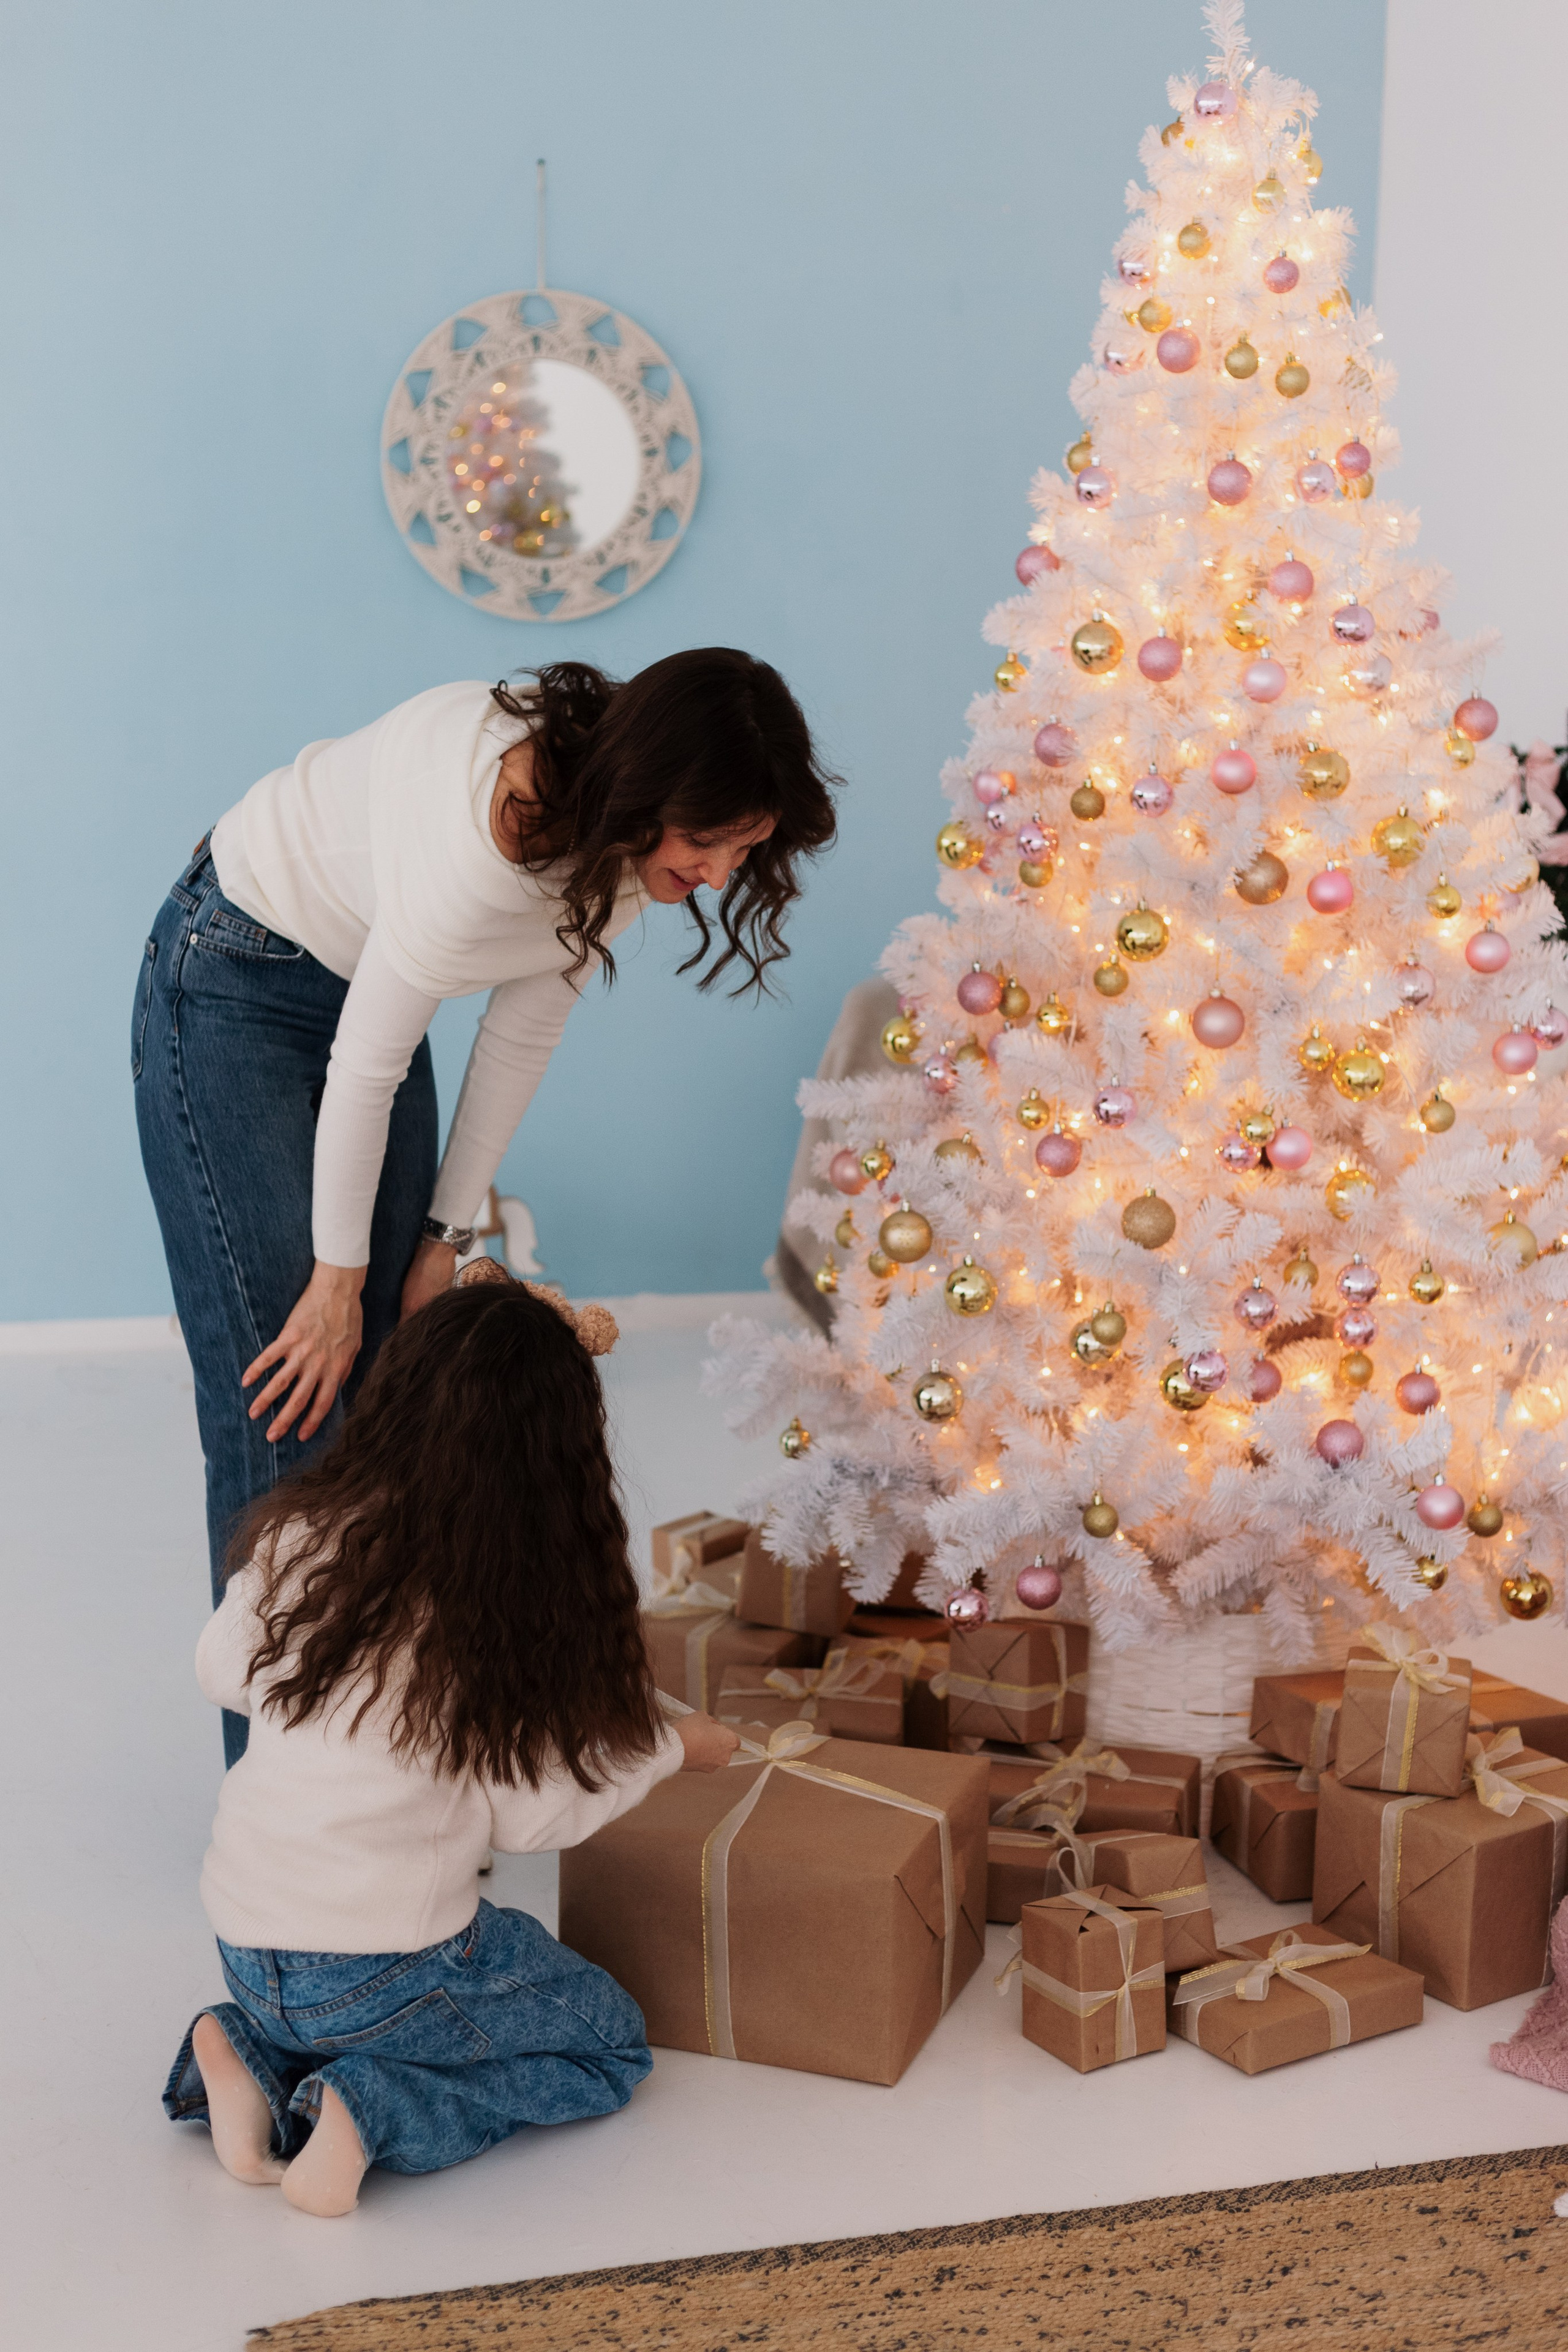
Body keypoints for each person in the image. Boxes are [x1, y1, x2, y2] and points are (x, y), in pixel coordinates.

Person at [132, 653, 839, 1762]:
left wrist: (440, 1243)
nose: (714, 875)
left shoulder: (612, 848)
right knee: (291, 1390)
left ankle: (386, 1741)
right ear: (644, 794)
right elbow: (369, 1064)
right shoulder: (481, 842)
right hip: (236, 973)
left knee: (402, 1384)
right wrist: (336, 1283)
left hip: (373, 991)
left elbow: (521, 1030)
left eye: (742, 852)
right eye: (706, 844)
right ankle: (284, 1791)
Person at [162, 1269, 742, 2217]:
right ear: (559, 1460)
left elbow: (220, 1671)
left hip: (241, 1940)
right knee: (605, 2042)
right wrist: (678, 1747)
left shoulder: (301, 1534)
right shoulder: (500, 1615)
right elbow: (532, 1819)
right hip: (384, 1969)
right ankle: (373, 2109)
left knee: (359, 1985)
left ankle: (249, 2054)